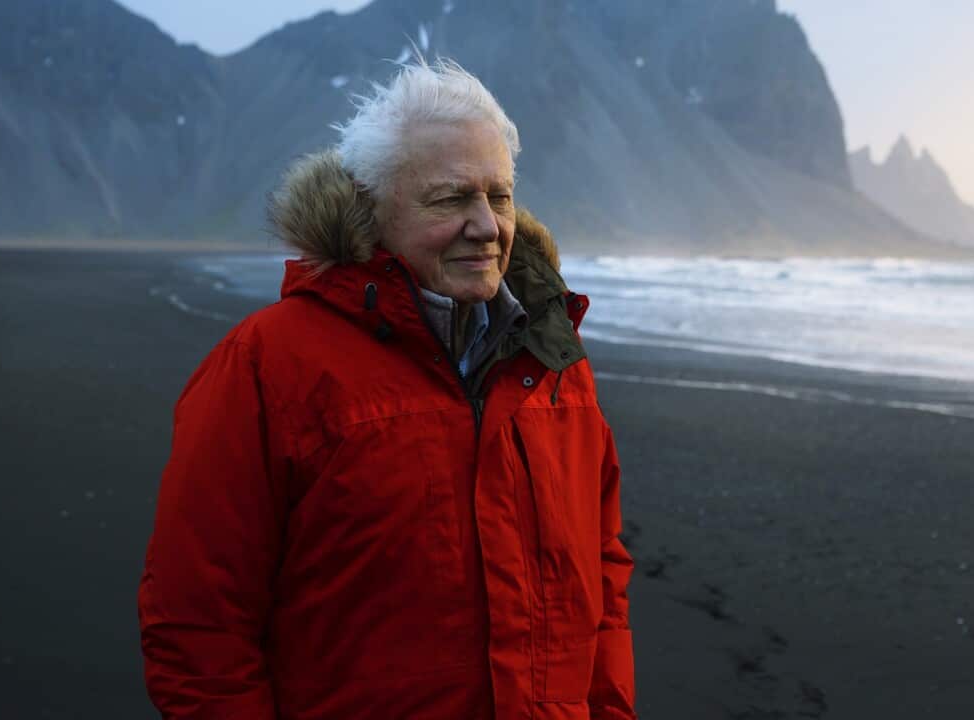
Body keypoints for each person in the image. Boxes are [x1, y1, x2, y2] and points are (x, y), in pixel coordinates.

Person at [137, 58, 637, 719]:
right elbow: (198, 623)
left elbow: (601, 589)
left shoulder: (556, 365)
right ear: (371, 213)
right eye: (452, 198)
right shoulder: (267, 366)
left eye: (500, 195)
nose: (487, 225)